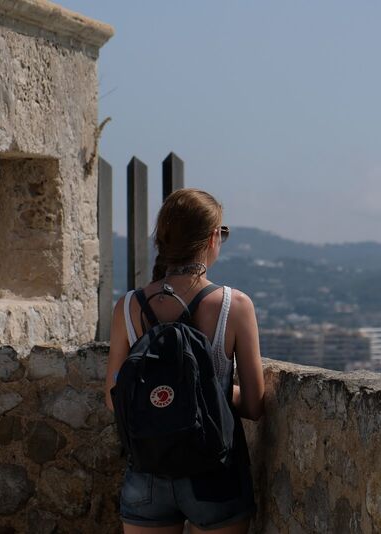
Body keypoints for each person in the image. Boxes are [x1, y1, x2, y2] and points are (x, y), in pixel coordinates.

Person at [105, 188, 265, 533]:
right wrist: (213, 392)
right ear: (212, 237)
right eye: (222, 232)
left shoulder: (129, 307)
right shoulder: (234, 306)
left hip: (147, 471)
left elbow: (112, 396)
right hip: (214, 474)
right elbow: (253, 405)